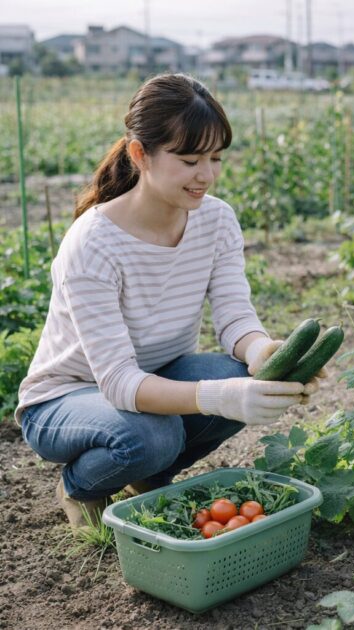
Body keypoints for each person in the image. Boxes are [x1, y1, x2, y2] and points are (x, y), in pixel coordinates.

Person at [16, 74, 318, 529]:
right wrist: (222, 397)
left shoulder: (216, 220)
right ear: (140, 155)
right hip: (63, 400)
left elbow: (235, 317)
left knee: (237, 376)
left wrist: (264, 352)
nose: (207, 175)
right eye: (189, 159)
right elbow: (118, 383)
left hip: (152, 377)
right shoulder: (93, 244)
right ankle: (80, 486)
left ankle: (149, 476)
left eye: (215, 158)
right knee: (153, 433)